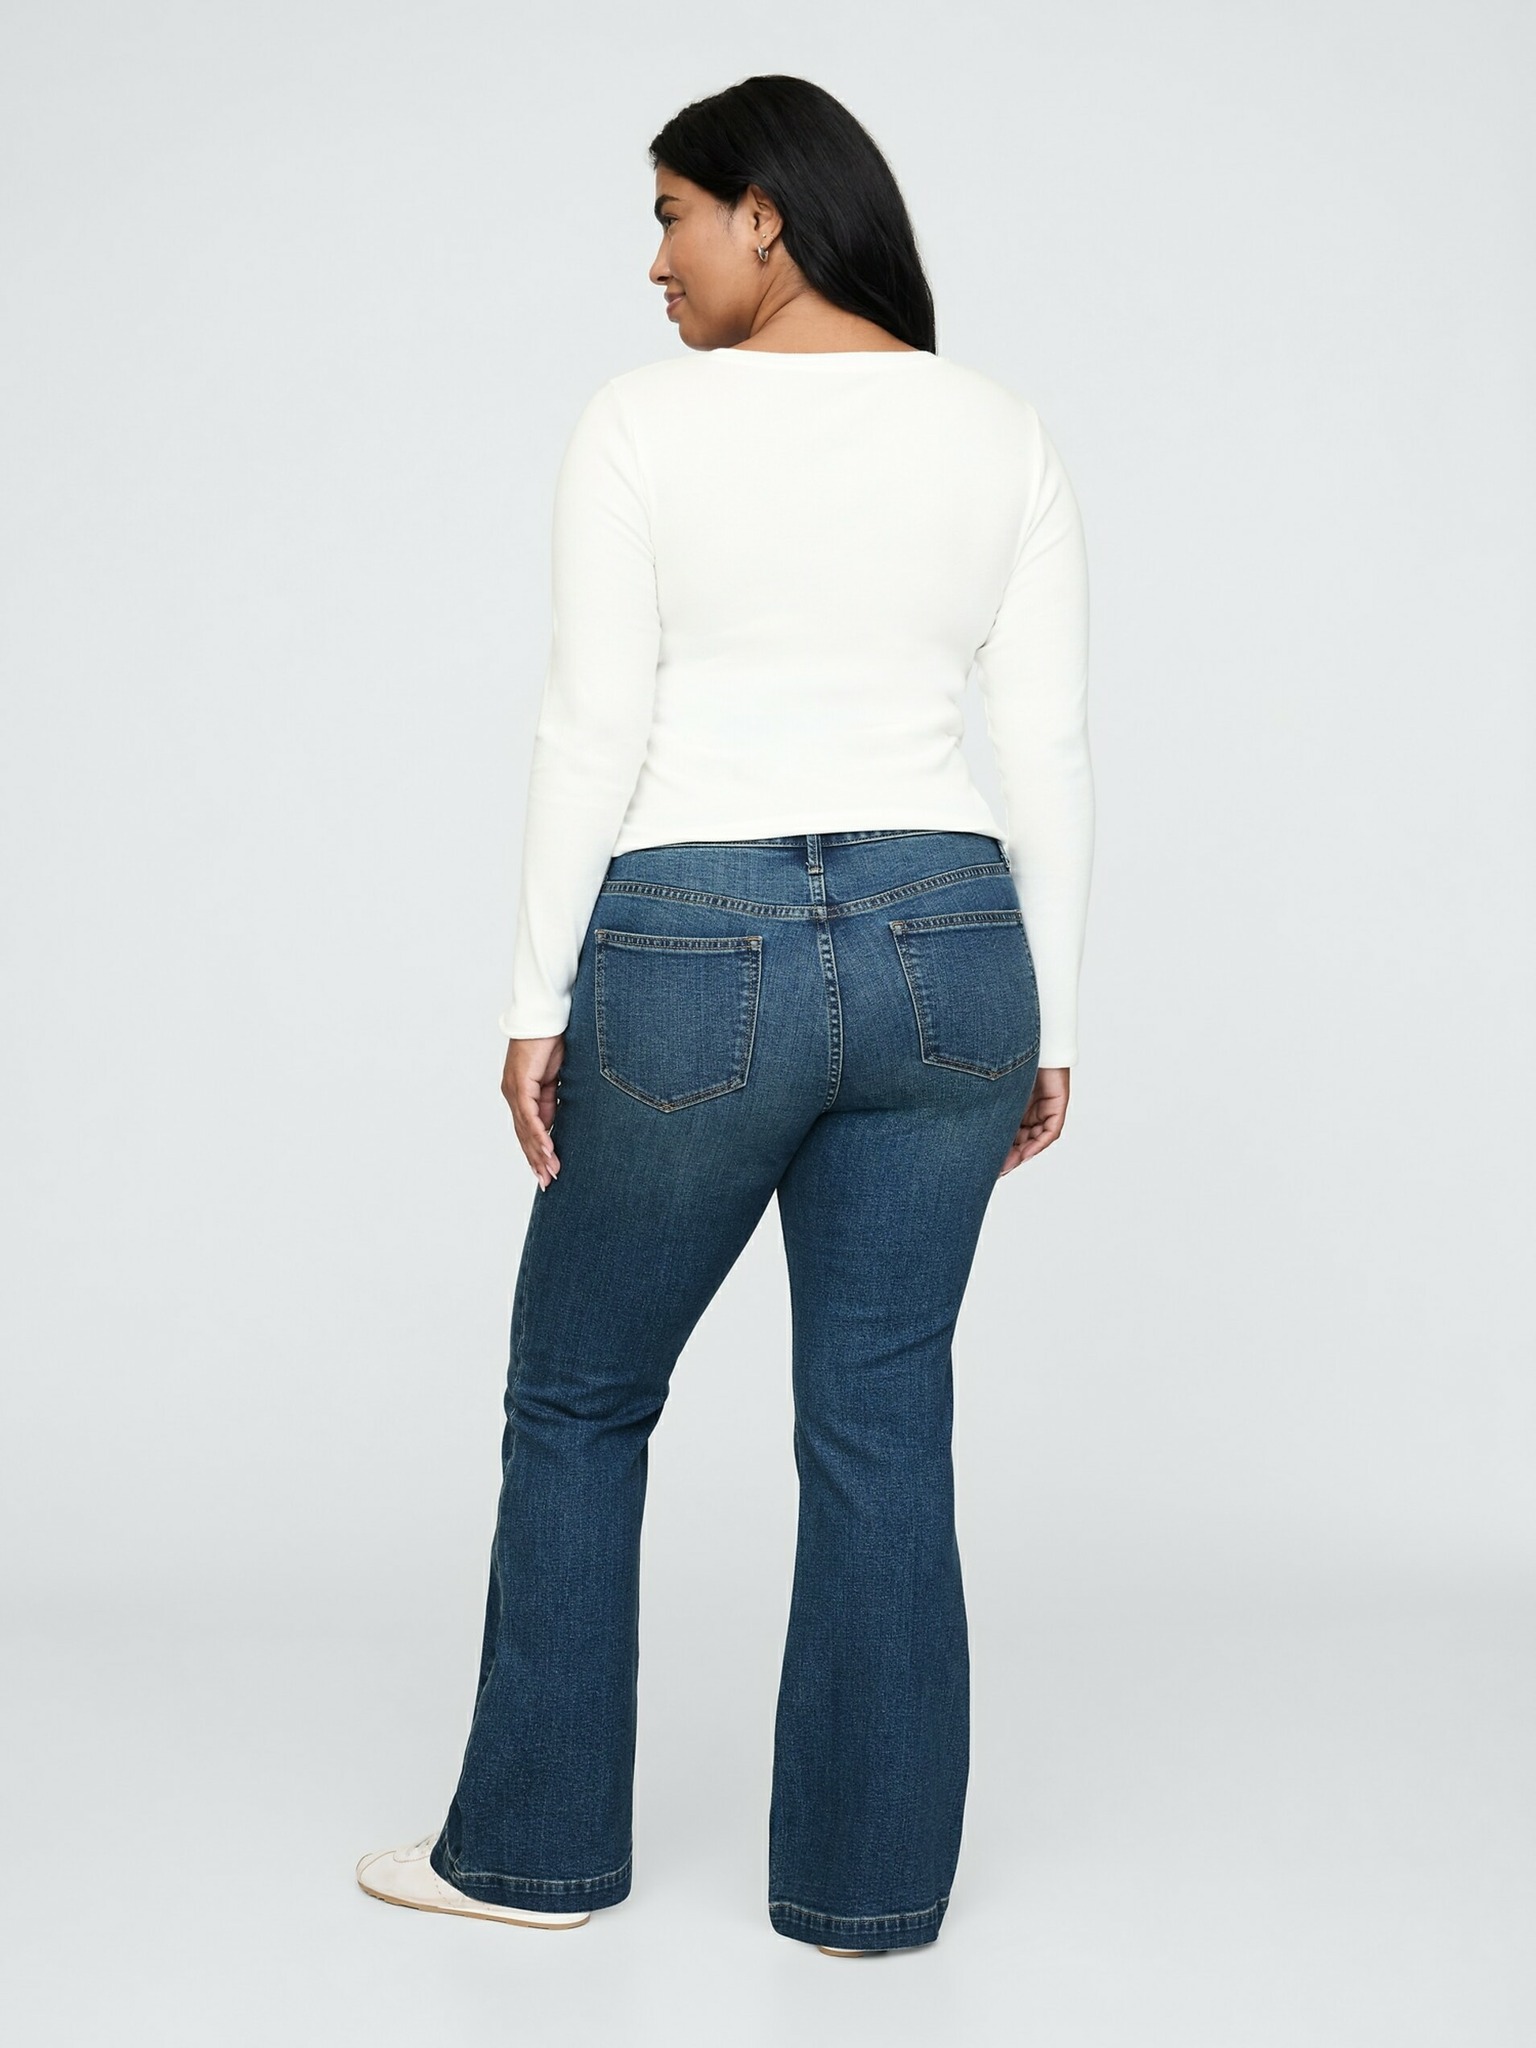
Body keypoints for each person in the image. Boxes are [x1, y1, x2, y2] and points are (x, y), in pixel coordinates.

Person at [356, 72, 1093, 1958]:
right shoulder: (1000, 429)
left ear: (767, 212)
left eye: (674, 214)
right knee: (881, 1419)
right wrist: (1056, 1020)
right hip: (954, 944)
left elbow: (590, 721)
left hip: (697, 941)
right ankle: (866, 1901)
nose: (657, 260)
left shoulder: (640, 425)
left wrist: (534, 994)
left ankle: (530, 1858)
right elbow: (1048, 748)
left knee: (581, 1395)